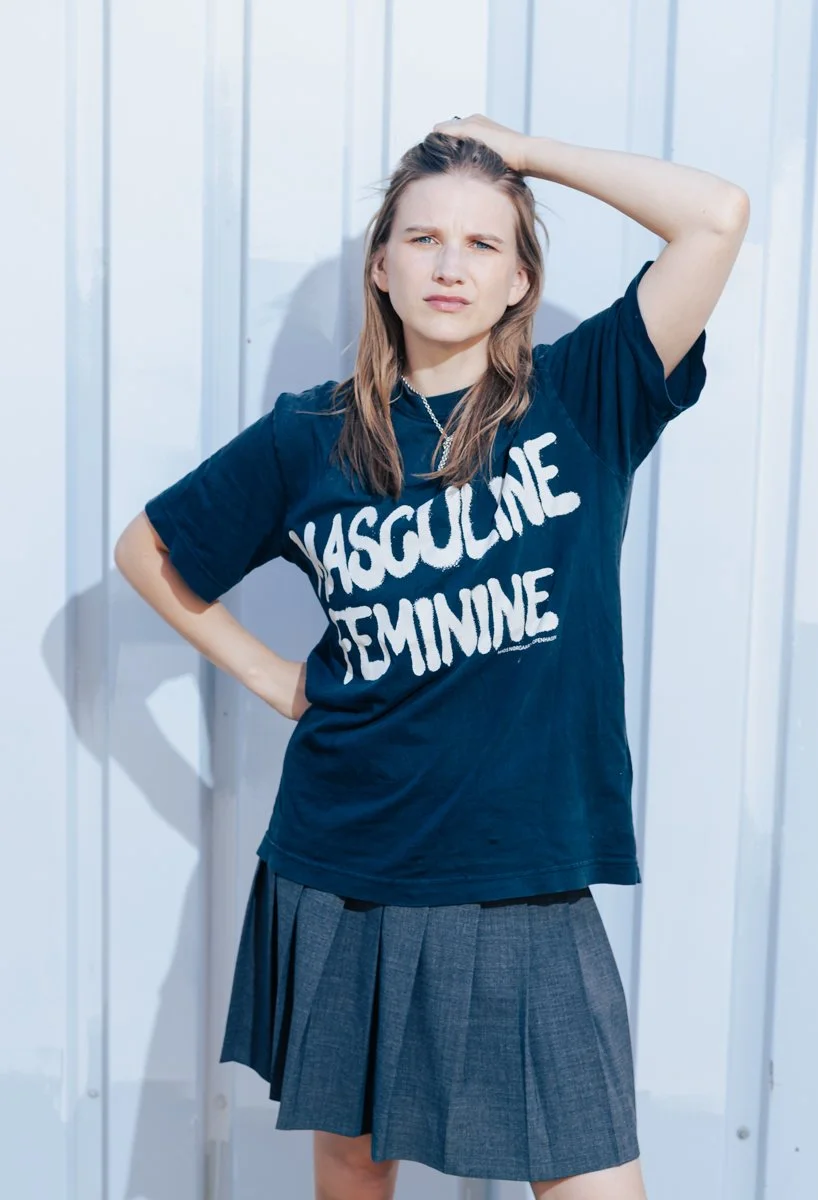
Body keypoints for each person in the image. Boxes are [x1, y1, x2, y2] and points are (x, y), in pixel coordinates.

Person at [114, 113, 748, 1199]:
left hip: (525, 877)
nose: (450, 263)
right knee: (355, 1176)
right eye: (423, 238)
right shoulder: (307, 435)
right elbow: (149, 550)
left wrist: (524, 154)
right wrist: (275, 680)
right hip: (347, 865)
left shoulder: (586, 395)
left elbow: (716, 218)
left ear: (520, 280)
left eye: (484, 243)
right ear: (381, 264)